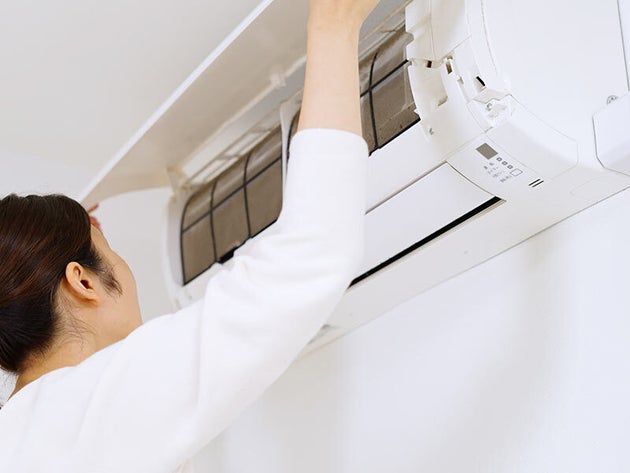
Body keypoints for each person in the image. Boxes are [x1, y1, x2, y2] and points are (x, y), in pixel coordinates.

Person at [0, 0, 380, 470]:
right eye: (112, 254)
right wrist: (333, 25)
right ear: (81, 281)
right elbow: (310, 254)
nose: (129, 277)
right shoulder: (88, 408)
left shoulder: (27, 434)